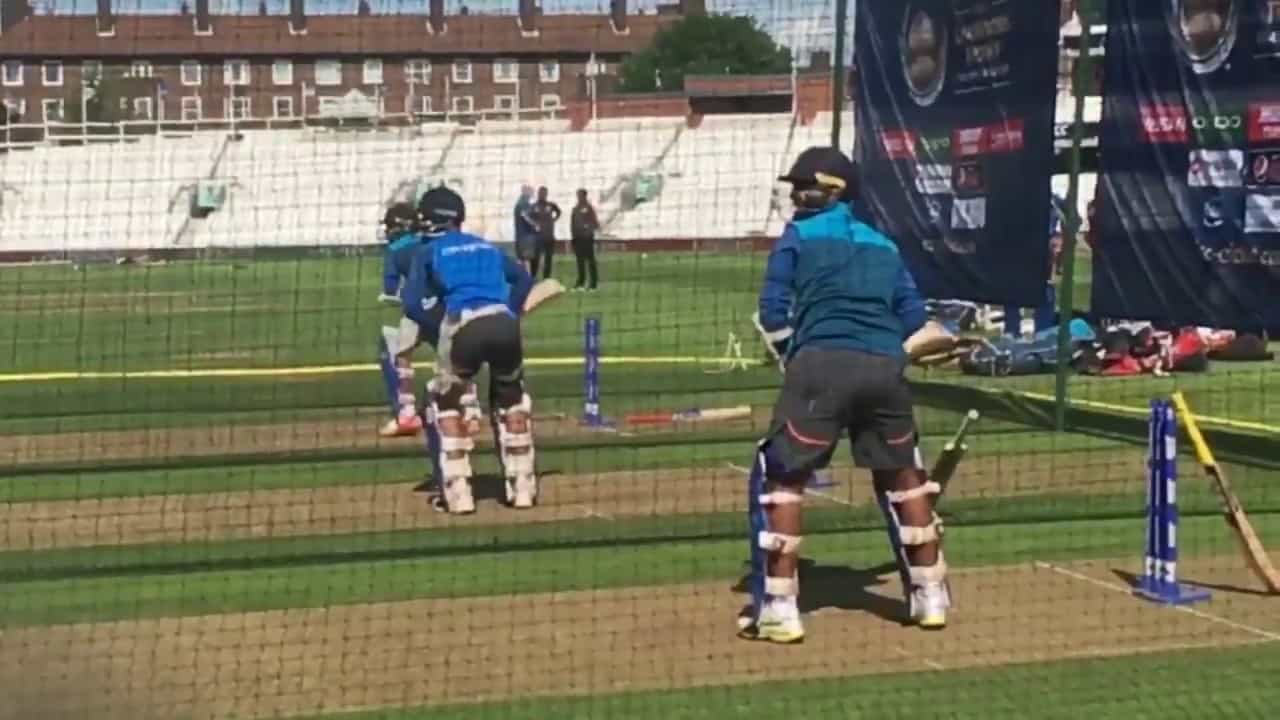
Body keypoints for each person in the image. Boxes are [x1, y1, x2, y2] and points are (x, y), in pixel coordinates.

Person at [742, 146, 948, 644]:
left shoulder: (797, 236)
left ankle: (779, 607)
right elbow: (915, 319)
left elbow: (772, 311)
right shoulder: (884, 243)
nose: (795, 194)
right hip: (885, 365)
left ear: (834, 190)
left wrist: (799, 360)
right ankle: (930, 597)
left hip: (820, 364)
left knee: (783, 476)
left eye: (803, 186)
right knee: (905, 478)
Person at [399, 186, 539, 514]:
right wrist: (510, 310)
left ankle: (459, 494)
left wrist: (441, 323)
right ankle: (522, 489)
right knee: (512, 398)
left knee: (445, 401)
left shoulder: (429, 251)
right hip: (504, 324)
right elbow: (523, 280)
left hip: (463, 324)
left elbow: (412, 304)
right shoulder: (487, 247)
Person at [1002, 193, 1064, 337]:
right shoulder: (1049, 199)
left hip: (1039, 252)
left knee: (1043, 292)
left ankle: (1038, 334)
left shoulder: (1052, 199)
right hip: (1022, 249)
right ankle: (1016, 333)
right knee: (1014, 292)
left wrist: (1057, 239)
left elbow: (1072, 220)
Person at [570, 188, 600, 291]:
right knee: (580, 261)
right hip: (577, 239)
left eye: (580, 195)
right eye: (577, 195)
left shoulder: (589, 208)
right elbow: (572, 225)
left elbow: (595, 223)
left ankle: (593, 284)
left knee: (590, 261)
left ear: (584, 196)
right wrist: (573, 238)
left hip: (587, 239)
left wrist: (588, 231)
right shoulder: (575, 209)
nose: (578, 197)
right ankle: (581, 283)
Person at [529, 186, 561, 279]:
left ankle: (546, 277)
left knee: (548, 258)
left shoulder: (551, 205)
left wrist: (554, 219)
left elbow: (558, 212)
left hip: (549, 236)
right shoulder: (534, 206)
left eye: (544, 193)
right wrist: (534, 225)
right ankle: (533, 277)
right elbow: (529, 218)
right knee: (535, 258)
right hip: (538, 237)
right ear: (538, 194)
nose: (542, 195)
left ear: (546, 194)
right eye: (540, 193)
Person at [513, 184, 537, 273]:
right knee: (526, 259)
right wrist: (535, 225)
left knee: (520, 259)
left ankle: (518, 279)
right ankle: (528, 280)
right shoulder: (524, 203)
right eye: (531, 192)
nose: (532, 194)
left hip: (520, 235)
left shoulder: (519, 203)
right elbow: (525, 216)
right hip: (525, 236)